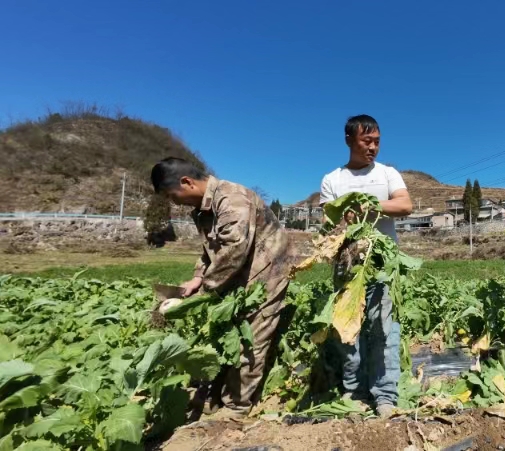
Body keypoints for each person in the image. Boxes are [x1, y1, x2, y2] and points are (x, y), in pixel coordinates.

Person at [151, 157, 292, 419]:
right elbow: (211, 249)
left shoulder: (233, 200)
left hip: (266, 271)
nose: (174, 203)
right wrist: (197, 277)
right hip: (236, 271)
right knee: (225, 332)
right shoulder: (204, 208)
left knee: (252, 338)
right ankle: (215, 394)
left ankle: (236, 408)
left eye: (173, 196)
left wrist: (205, 290)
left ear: (187, 182)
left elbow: (233, 250)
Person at [319, 114, 413, 417]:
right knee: (349, 331)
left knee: (384, 330)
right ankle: (354, 392)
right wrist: (342, 218)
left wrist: (370, 206)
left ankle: (385, 396)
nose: (372, 147)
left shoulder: (387, 174)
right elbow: (328, 220)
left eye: (376, 141)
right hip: (348, 264)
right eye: (366, 141)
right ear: (349, 140)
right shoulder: (333, 180)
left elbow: (404, 205)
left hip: (383, 263)